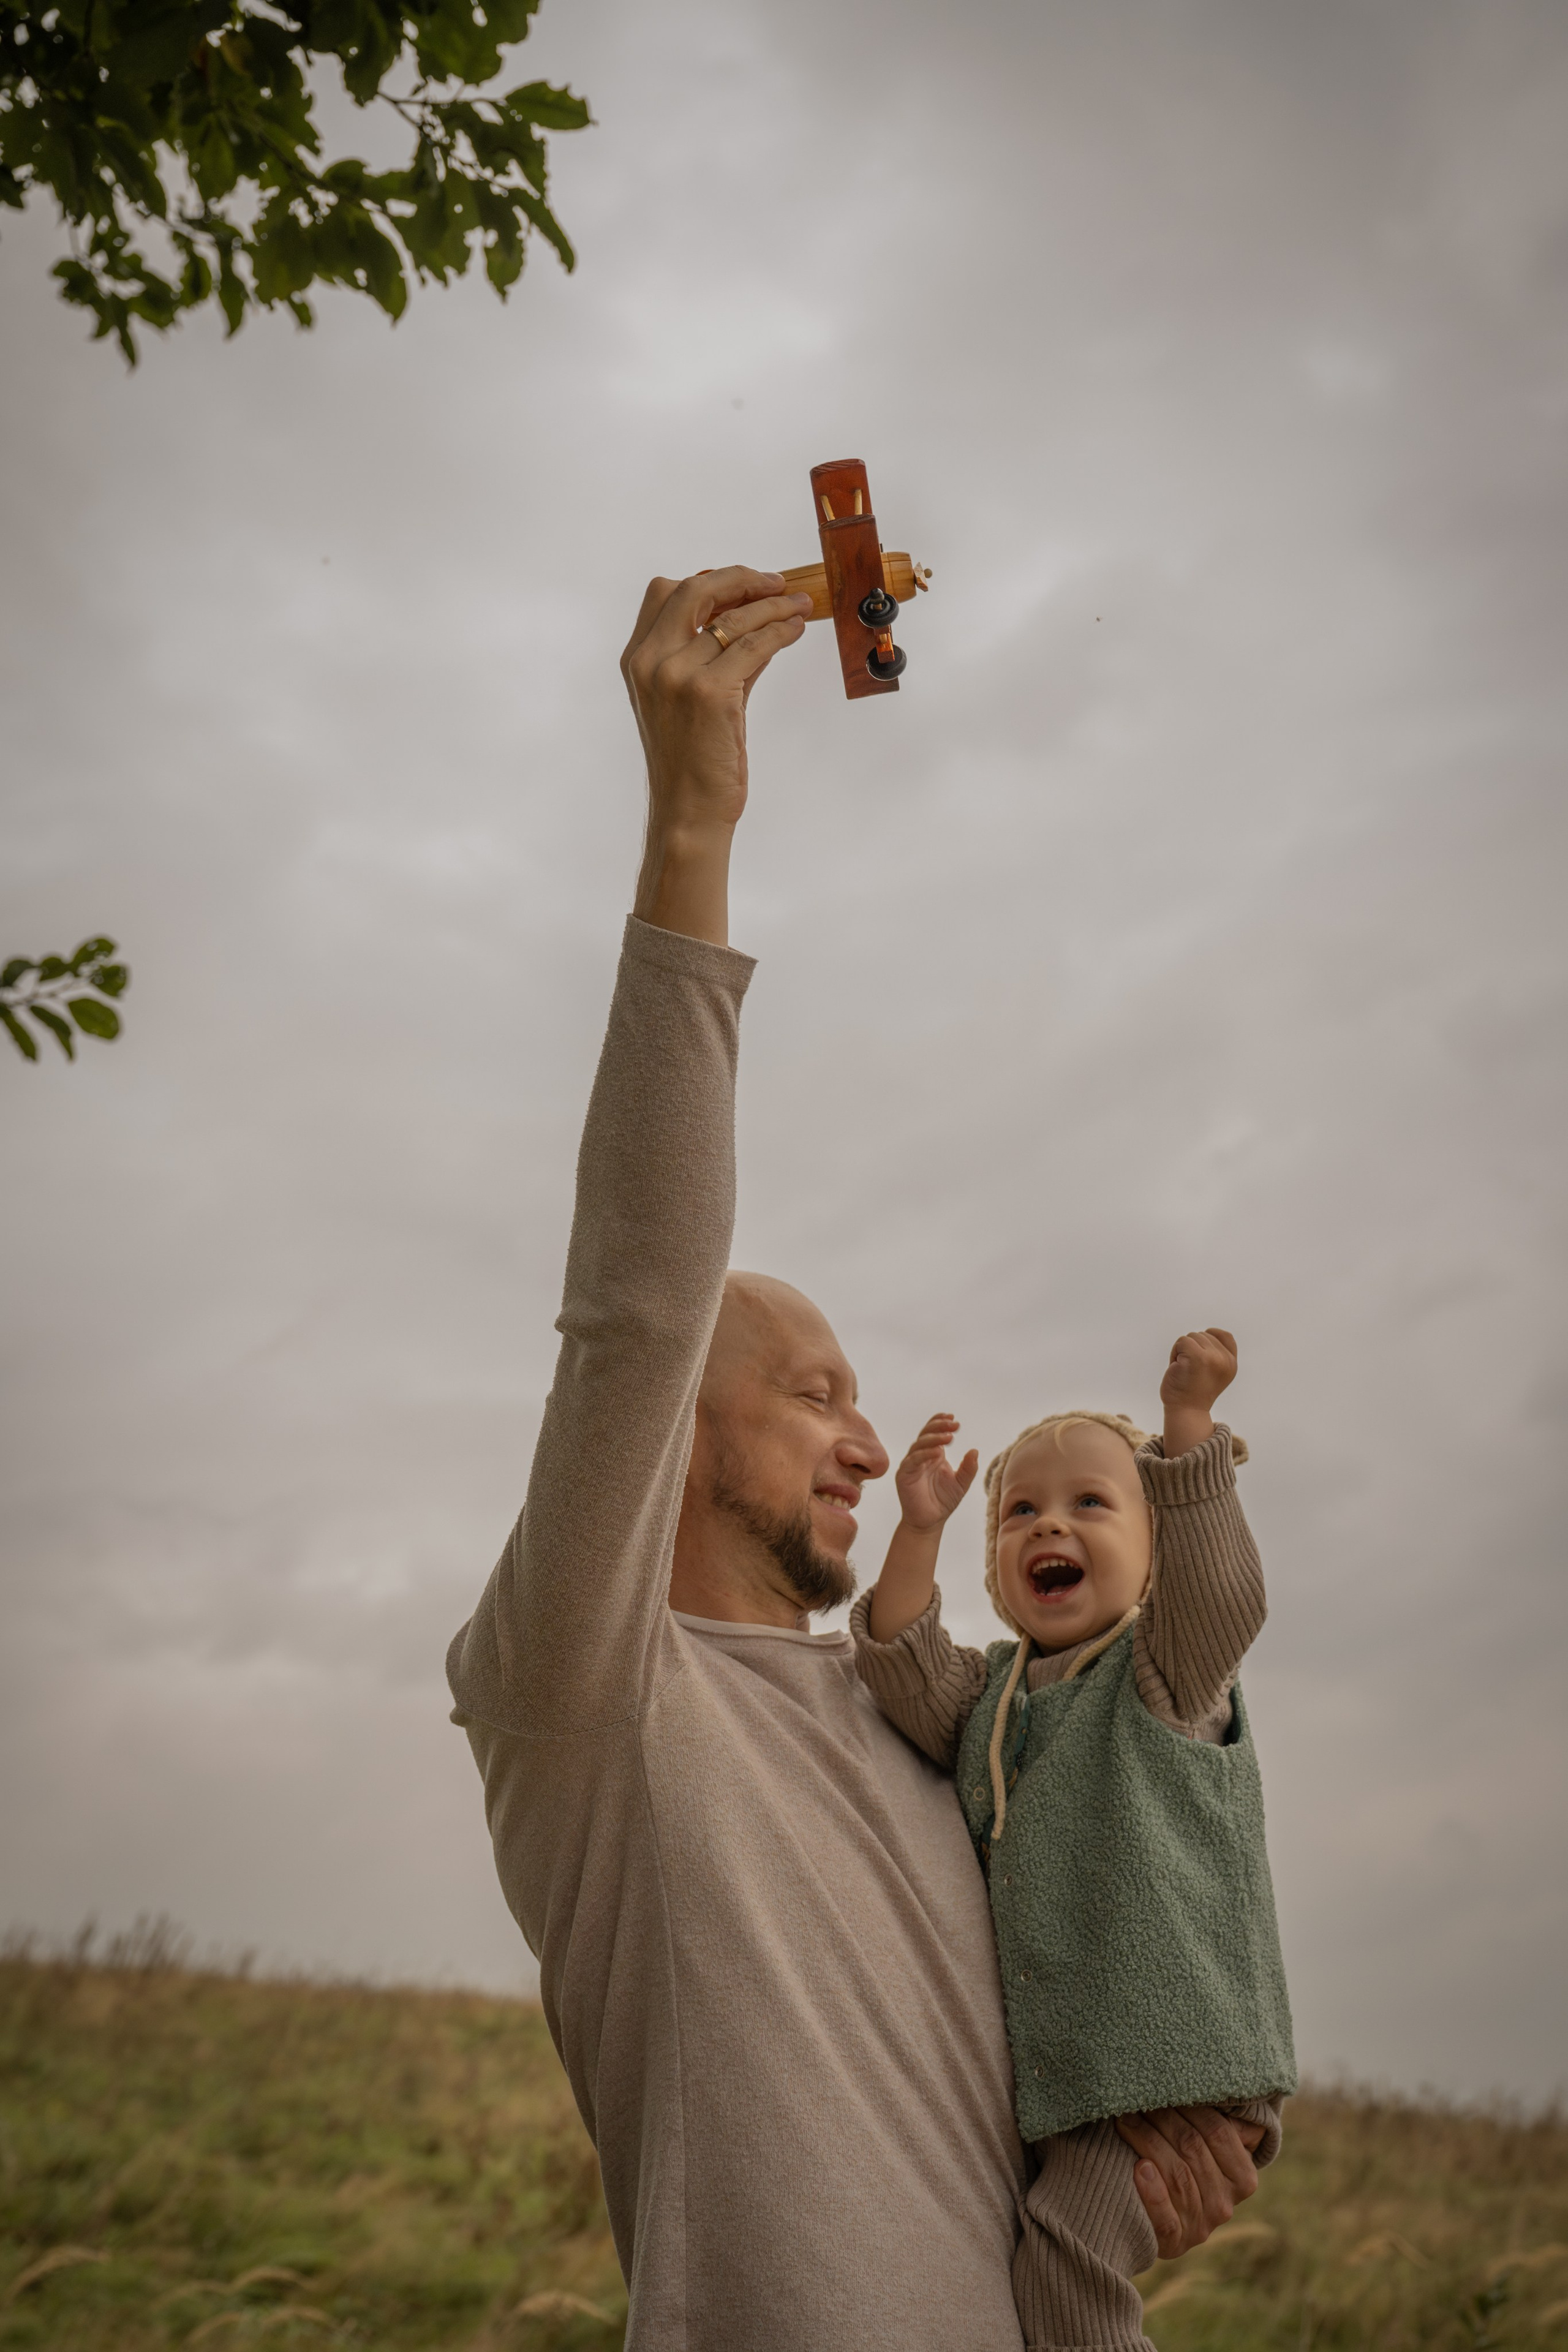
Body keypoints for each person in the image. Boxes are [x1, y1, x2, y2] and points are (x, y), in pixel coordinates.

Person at [446, 567, 1267, 2352]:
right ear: (675, 1428)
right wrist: (691, 830)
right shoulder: (584, 1701)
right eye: (814, 1391)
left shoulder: (939, 1726)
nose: (872, 1438)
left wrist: (1133, 2189)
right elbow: (639, 1303)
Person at [855, 1331, 1296, 2352]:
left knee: (1066, 2273)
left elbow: (1224, 1595)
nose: (1050, 1521)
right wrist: (919, 1528)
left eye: (1092, 1503)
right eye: (1020, 1512)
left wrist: (1187, 1434)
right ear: (1001, 1572)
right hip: (1082, 2074)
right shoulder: (995, 1700)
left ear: (1156, 1554)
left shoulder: (1166, 1673)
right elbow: (900, 1664)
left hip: (1171, 2070)